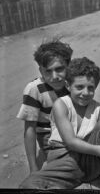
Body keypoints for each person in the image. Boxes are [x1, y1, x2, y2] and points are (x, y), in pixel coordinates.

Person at [19, 57, 100, 189]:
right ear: (68, 86)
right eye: (79, 87)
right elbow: (70, 142)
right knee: (29, 185)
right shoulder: (61, 104)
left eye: (90, 88)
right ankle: (93, 184)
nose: (85, 93)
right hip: (65, 162)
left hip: (92, 160)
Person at [17, 39, 73, 173]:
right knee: (69, 166)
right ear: (41, 71)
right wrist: (33, 168)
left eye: (59, 69)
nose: (55, 77)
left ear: (68, 65)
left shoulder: (72, 83)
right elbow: (30, 129)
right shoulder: (34, 89)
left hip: (72, 128)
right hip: (49, 137)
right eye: (48, 71)